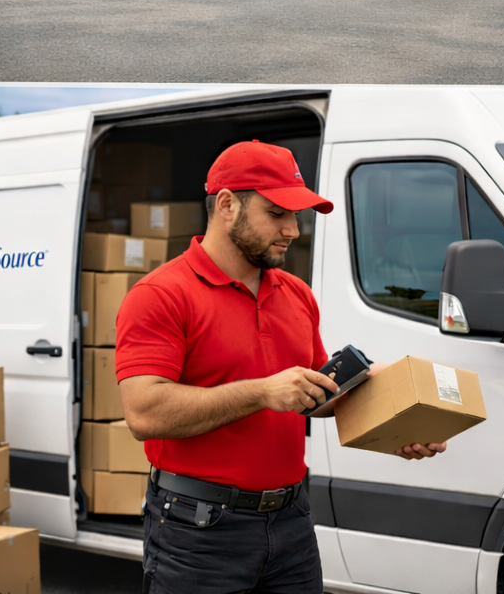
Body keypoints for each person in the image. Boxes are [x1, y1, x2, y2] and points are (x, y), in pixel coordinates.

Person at [115, 140, 447, 594]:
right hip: (198, 530)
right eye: (276, 213)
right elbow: (144, 413)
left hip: (291, 522)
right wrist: (262, 392)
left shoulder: (295, 293)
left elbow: (313, 396)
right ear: (227, 205)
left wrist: (392, 415)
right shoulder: (161, 295)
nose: (293, 229)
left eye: (296, 215)